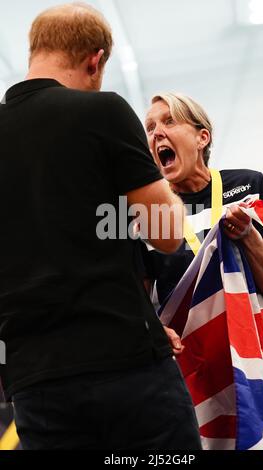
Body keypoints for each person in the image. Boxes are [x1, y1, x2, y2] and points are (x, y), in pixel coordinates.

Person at [0, 5, 201, 450]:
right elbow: (166, 233)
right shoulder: (101, 111)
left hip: (35, 383)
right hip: (126, 372)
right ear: (96, 59)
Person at [143, 92, 263, 319]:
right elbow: (142, 313)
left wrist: (248, 236)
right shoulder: (147, 215)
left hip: (261, 345)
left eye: (170, 121)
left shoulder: (250, 186)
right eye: (150, 127)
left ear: (202, 138)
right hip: (193, 351)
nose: (157, 133)